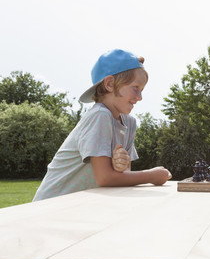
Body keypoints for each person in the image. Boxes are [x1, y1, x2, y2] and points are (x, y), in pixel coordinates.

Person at [33, 49, 171, 201]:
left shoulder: (129, 123)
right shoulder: (100, 115)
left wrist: (120, 166)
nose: (140, 97)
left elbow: (124, 175)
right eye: (135, 88)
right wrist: (151, 176)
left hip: (76, 207)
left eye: (142, 90)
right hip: (49, 206)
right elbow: (105, 178)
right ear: (110, 84)